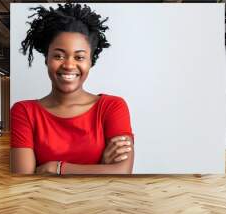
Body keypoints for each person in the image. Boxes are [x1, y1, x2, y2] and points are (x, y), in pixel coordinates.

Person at [10, 3, 134, 175]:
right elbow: (23, 180)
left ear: (91, 61)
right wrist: (100, 167)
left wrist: (56, 168)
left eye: (79, 57)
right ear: (46, 59)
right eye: (58, 55)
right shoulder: (24, 111)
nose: (68, 65)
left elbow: (122, 172)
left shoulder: (112, 107)